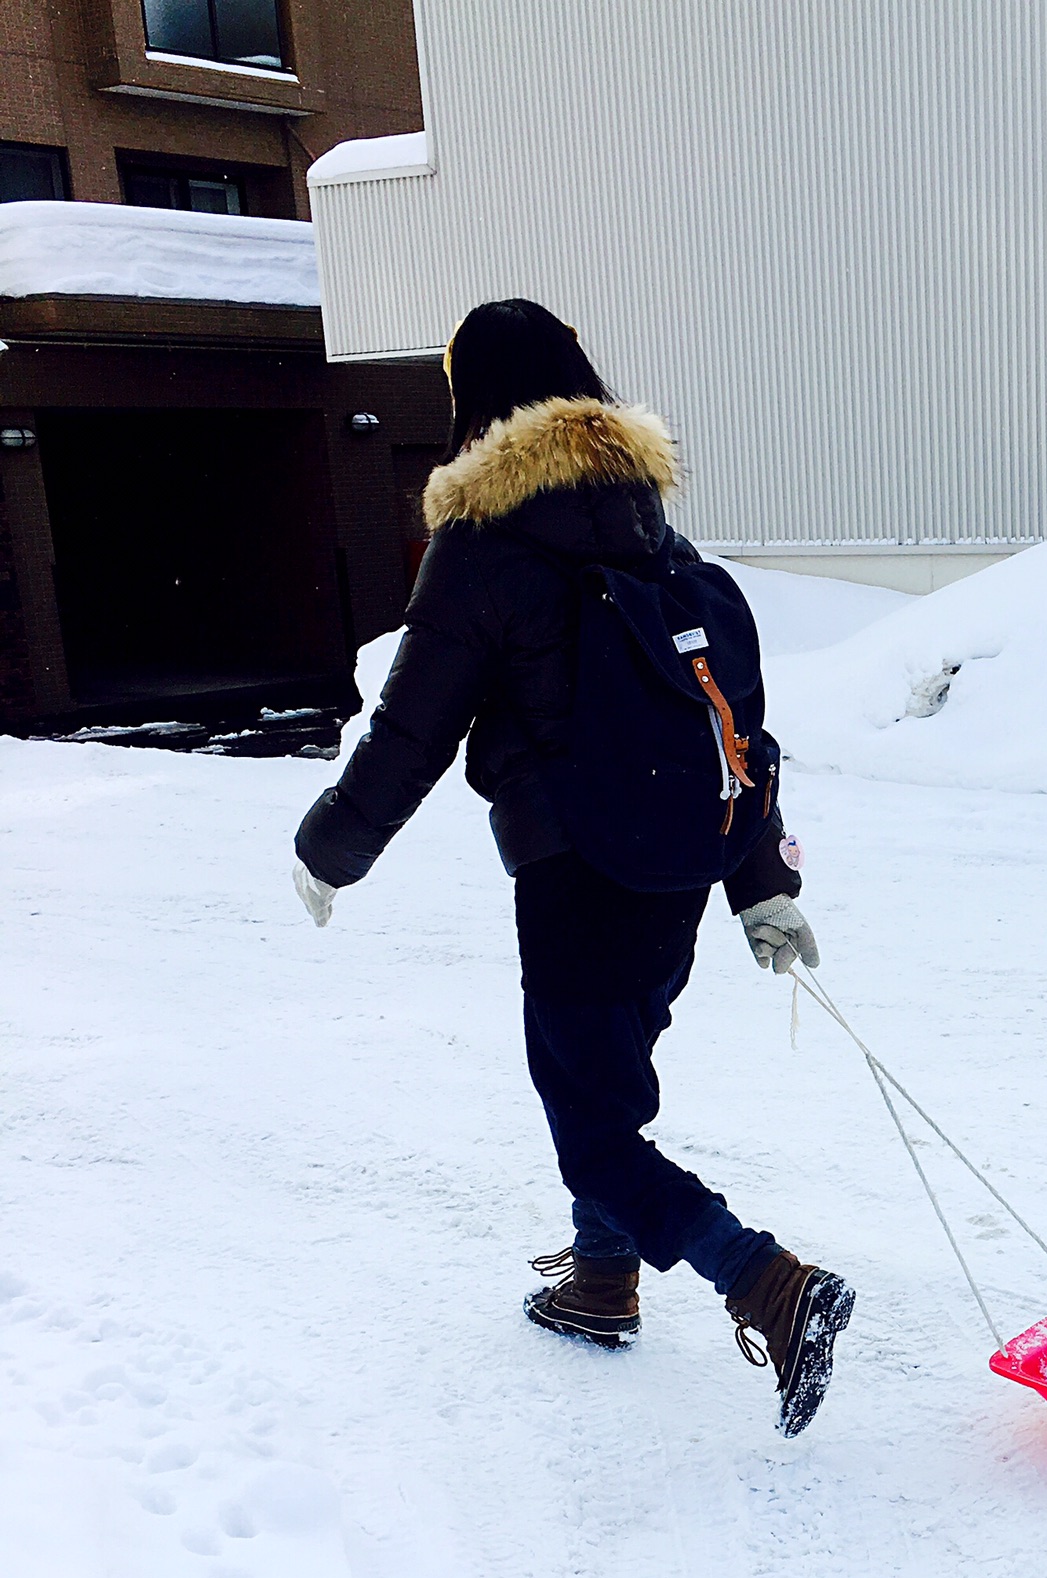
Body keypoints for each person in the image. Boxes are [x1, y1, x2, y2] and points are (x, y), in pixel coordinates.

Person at [292, 298, 853, 1437]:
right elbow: (730, 723)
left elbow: (415, 724)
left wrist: (330, 850)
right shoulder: (648, 527)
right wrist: (759, 882)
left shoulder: (487, 541)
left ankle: (767, 1282)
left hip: (572, 871)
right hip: (675, 869)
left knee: (590, 1119)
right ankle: (602, 1285)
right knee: (607, 1074)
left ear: (474, 406)